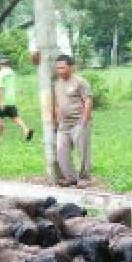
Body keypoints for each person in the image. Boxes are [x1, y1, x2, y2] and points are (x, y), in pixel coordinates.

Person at [52, 55, 92, 187]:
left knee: (83, 152)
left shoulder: (80, 82)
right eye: (58, 68)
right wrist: (57, 122)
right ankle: (71, 178)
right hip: (63, 124)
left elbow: (88, 101)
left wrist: (84, 121)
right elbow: (57, 104)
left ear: (71, 67)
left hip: (78, 122)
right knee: (61, 151)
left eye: (63, 67)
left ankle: (84, 178)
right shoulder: (57, 84)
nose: (60, 70)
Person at [0, 56, 32, 140]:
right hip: (11, 99)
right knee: (15, 117)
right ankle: (26, 129)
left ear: (0, 64)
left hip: (2, 100)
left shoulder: (0, 74)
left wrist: (0, 102)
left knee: (0, 119)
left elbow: (0, 88)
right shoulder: (12, 73)